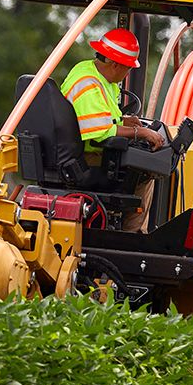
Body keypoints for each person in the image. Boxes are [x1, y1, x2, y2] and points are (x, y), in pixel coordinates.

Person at [61, 28, 164, 232]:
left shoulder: (95, 74)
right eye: (128, 68)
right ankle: (132, 236)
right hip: (87, 158)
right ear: (115, 64)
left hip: (82, 152)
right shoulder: (88, 84)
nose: (129, 73)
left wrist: (125, 121)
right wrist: (141, 133)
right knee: (144, 171)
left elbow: (102, 117)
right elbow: (100, 131)